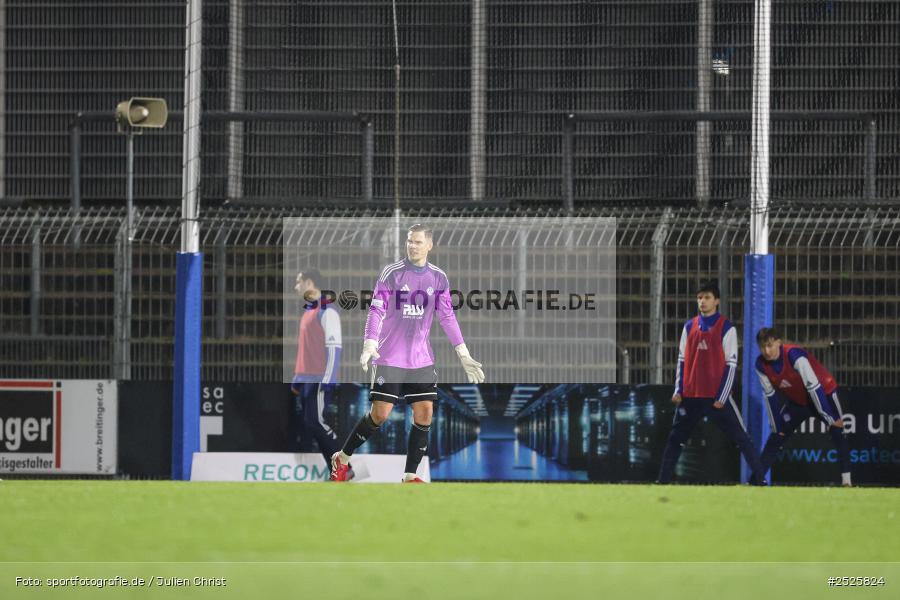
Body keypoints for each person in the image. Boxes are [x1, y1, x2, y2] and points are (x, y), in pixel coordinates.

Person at [330, 224, 484, 483]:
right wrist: (370, 343)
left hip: (422, 359)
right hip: (390, 357)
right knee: (380, 415)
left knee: (425, 412)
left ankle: (410, 475)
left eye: (417, 242)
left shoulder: (439, 278)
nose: (412, 246)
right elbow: (376, 310)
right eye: (409, 241)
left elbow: (446, 316)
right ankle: (342, 458)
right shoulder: (392, 272)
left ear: (429, 245)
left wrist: (463, 353)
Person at [657, 281, 766, 485]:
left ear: (716, 301)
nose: (702, 301)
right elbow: (682, 359)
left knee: (742, 439)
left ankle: (761, 480)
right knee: (674, 440)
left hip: (717, 398)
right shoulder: (689, 326)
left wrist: (722, 397)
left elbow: (731, 363)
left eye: (707, 297)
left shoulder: (726, 327)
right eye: (699, 297)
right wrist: (678, 389)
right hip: (690, 397)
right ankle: (662, 482)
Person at [754, 327, 851, 487]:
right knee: (776, 436)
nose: (767, 350)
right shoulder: (760, 365)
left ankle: (847, 482)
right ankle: (756, 483)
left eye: (770, 345)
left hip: (824, 393)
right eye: (763, 346)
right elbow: (769, 396)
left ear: (779, 342)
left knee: (838, 431)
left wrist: (829, 418)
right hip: (798, 402)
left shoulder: (794, 355)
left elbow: (813, 387)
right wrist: (776, 425)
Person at [291, 269, 342, 472]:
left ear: (309, 283)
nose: (296, 287)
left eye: (298, 282)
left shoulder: (327, 311)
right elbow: (305, 349)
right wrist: (297, 378)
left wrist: (328, 378)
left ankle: (344, 464)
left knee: (316, 422)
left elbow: (334, 347)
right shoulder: (308, 312)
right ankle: (337, 470)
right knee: (312, 424)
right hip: (307, 379)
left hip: (319, 377)